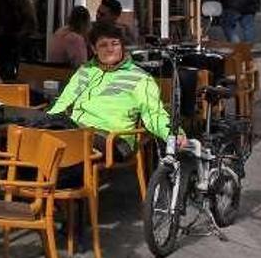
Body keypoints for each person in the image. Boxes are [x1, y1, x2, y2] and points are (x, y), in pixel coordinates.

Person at [48, 21, 179, 159]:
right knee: (37, 136)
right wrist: (47, 123)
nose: (110, 49)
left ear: (122, 46)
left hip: (113, 138)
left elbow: (154, 115)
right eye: (103, 45)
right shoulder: (86, 71)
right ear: (94, 49)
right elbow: (63, 101)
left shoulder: (139, 78)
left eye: (115, 43)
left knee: (60, 149)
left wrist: (173, 134)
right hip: (77, 131)